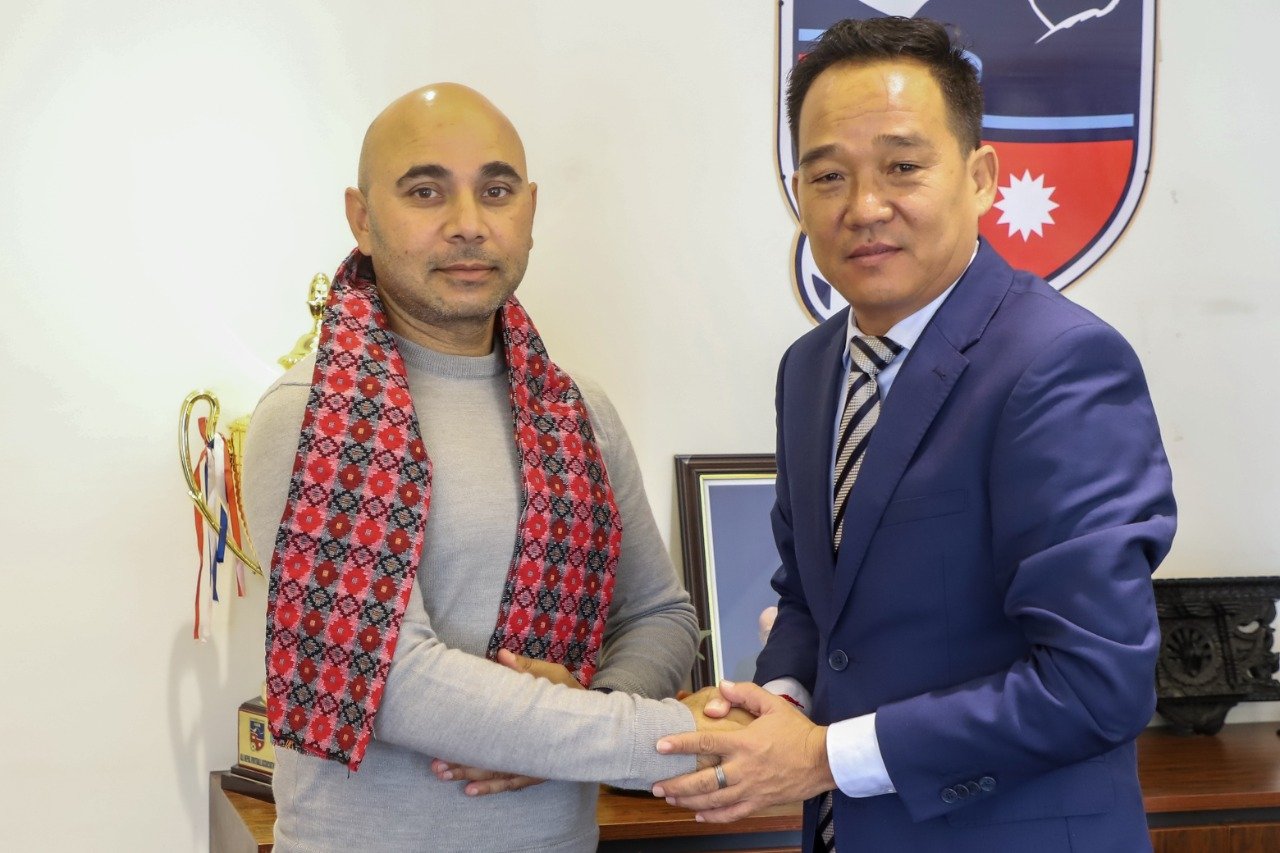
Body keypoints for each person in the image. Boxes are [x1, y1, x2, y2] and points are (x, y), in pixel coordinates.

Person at [652, 17, 1176, 853]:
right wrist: (778, 702)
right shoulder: (809, 369)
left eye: (902, 166)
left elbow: (1095, 683)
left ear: (981, 178)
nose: (864, 207)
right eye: (829, 174)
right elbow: (812, 596)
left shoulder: (1061, 363)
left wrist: (822, 755)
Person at [243, 83, 740, 853]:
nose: (469, 223)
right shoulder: (314, 414)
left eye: (497, 191)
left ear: (530, 211)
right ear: (361, 217)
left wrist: (583, 711)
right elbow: (391, 679)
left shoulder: (578, 410)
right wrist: (667, 737)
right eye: (426, 190)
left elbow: (660, 616)